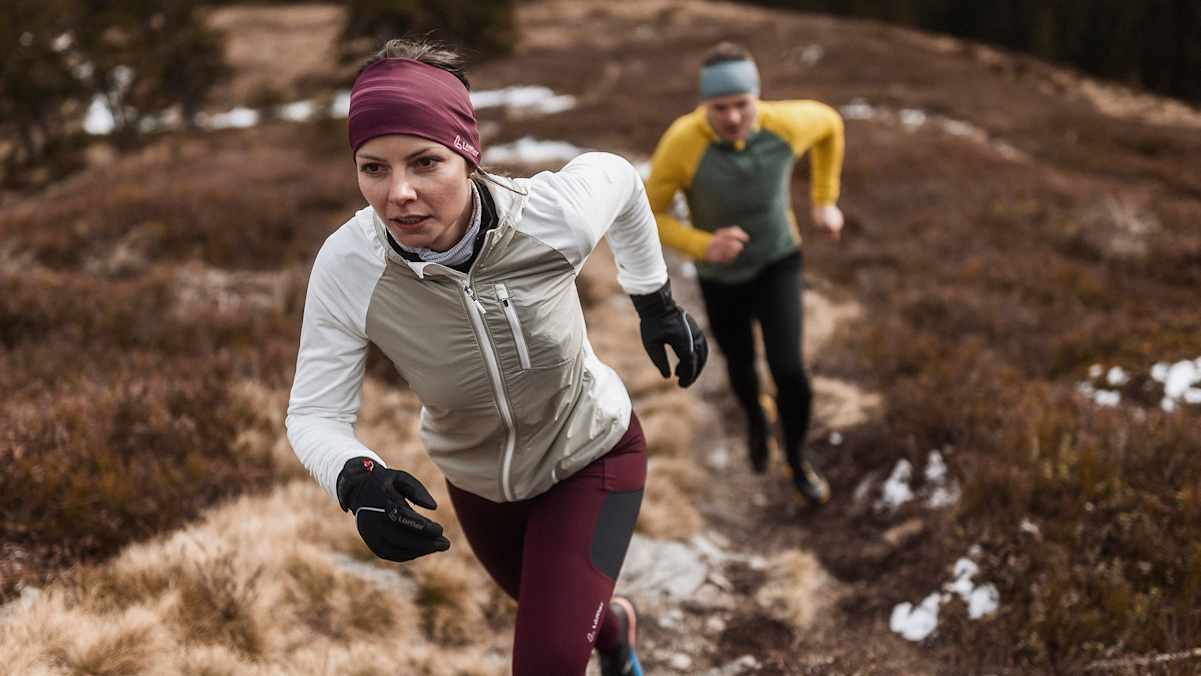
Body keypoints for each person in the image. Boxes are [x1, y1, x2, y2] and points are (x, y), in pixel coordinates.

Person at [285, 39, 708, 676]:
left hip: (590, 452)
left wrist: (654, 300)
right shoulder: (349, 266)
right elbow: (313, 414)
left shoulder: (548, 219)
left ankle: (601, 629)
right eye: (373, 168)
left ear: (467, 155)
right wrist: (356, 478)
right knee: (556, 616)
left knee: (543, 662)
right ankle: (614, 627)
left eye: (425, 162)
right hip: (479, 483)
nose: (399, 193)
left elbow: (619, 179)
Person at [644, 42, 845, 505]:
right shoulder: (682, 142)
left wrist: (824, 200)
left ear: (758, 96)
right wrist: (703, 245)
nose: (733, 117)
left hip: (779, 262)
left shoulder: (786, 125)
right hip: (721, 279)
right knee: (741, 370)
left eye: (742, 104)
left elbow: (832, 124)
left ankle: (796, 459)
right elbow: (648, 212)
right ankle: (755, 417)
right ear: (704, 104)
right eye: (720, 107)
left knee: (790, 370)